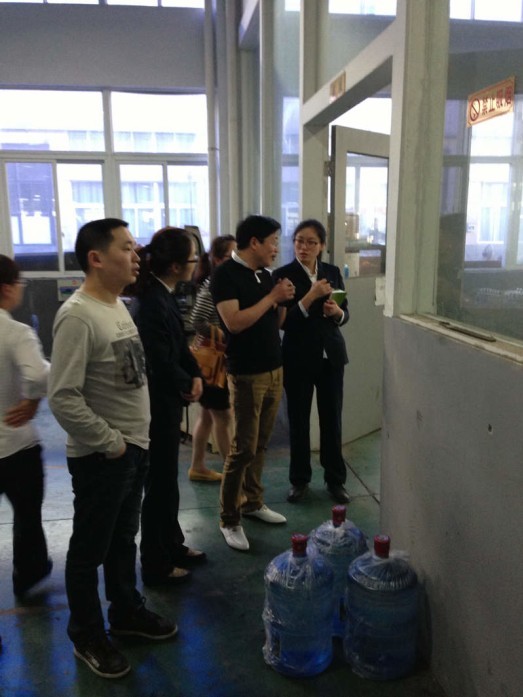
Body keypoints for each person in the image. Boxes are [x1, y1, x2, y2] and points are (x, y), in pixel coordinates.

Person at [48, 218, 177, 680]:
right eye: (126, 247)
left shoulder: (117, 305)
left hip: (133, 450)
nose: (136, 255)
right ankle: (86, 634)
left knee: (123, 541)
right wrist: (111, 443)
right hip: (104, 458)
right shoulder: (78, 315)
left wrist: (133, 443)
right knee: (89, 551)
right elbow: (62, 397)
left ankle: (125, 612)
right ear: (96, 258)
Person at [210, 214, 296, 551]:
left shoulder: (266, 275)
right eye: (272, 242)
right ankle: (229, 519)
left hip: (274, 368)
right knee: (242, 448)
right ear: (254, 242)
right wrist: (272, 297)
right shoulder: (225, 275)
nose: (276, 248)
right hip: (246, 374)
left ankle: (253, 502)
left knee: (261, 443)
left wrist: (283, 300)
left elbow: (275, 323)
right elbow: (234, 322)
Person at [130, 227, 205, 586]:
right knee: (158, 486)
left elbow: (178, 347)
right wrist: (185, 381)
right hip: (156, 408)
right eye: (192, 258)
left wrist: (194, 374)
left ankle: (172, 544)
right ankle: (156, 563)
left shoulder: (164, 294)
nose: (196, 263)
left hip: (168, 403)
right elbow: (158, 359)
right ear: (176, 266)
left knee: (167, 482)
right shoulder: (150, 303)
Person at [273, 218, 350, 504]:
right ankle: (299, 480)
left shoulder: (332, 272)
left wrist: (336, 313)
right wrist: (311, 296)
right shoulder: (283, 275)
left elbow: (345, 311)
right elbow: (285, 323)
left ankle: (335, 480)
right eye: (299, 241)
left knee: (332, 420)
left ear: (322, 246)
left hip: (331, 356)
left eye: (310, 242)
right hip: (298, 357)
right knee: (298, 420)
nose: (303, 247)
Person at [0, 255, 52, 599]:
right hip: (15, 445)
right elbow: (38, 375)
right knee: (27, 513)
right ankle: (28, 572)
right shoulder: (16, 333)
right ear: (7, 288)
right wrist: (32, 400)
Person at [188, 234, 236, 482]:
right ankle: (233, 477)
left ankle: (197, 466)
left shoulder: (222, 282)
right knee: (223, 416)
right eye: (230, 256)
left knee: (207, 415)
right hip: (213, 361)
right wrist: (225, 334)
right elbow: (197, 320)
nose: (235, 260)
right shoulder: (214, 284)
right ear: (217, 259)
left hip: (216, 361)